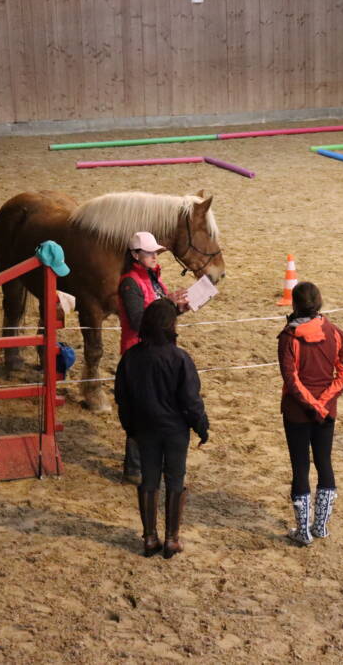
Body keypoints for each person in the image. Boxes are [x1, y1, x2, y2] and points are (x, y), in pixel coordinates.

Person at [114, 298, 208, 559]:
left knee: (149, 480)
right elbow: (191, 400)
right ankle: (172, 539)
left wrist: (130, 428)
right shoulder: (179, 358)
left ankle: (150, 537)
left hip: (144, 429)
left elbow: (122, 397)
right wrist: (202, 427)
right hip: (175, 430)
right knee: (175, 479)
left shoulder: (130, 358)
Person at [277, 282, 343, 545]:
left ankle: (303, 531)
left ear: (295, 305)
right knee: (324, 464)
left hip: (298, 412)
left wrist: (313, 403)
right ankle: (320, 526)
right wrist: (323, 403)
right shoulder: (335, 333)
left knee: (300, 467)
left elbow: (291, 379)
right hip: (326, 413)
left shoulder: (288, 337)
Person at [117, 231, 189, 485]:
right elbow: (139, 321)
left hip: (156, 351)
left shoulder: (153, 279)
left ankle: (142, 464)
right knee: (140, 409)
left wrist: (176, 308)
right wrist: (167, 304)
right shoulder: (129, 283)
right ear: (135, 255)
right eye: (149, 252)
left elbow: (159, 318)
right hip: (139, 352)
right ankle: (134, 468)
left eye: (156, 252)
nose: (155, 256)